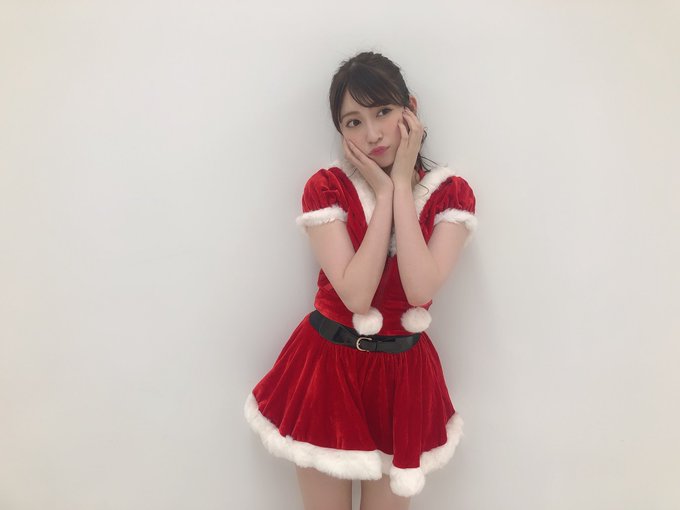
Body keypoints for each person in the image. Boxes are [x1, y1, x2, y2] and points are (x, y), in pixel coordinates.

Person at [243, 50, 477, 510]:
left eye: (383, 112)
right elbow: (356, 294)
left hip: (401, 377)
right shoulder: (326, 188)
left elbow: (419, 290)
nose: (372, 134)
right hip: (327, 369)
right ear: (341, 132)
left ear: (410, 110)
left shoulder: (450, 193)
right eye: (353, 122)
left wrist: (402, 186)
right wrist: (384, 195)